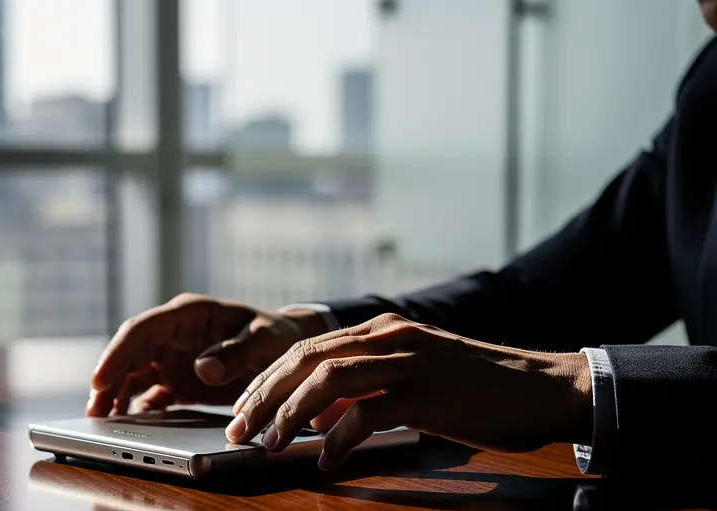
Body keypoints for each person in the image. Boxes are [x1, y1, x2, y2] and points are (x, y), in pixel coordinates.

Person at [89, 1, 717, 475]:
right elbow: (542, 296)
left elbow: (541, 365)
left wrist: (574, 386)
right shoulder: (710, 91)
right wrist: (310, 335)